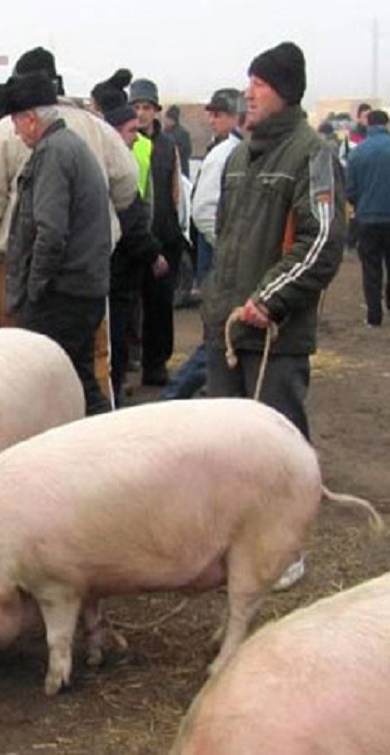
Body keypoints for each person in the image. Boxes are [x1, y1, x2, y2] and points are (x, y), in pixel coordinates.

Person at [203, 42, 345, 590]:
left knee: (278, 447)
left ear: (285, 91)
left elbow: (322, 241)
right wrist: (221, 301)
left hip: (274, 333)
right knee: (228, 449)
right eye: (249, 82)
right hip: (228, 326)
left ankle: (287, 550)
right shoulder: (240, 157)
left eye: (259, 83)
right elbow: (225, 234)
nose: (249, 92)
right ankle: (237, 545)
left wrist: (269, 298)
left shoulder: (312, 154)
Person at [0, 47, 138, 405]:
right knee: (93, 361)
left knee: (20, 368)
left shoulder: (12, 137)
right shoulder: (96, 128)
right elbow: (127, 182)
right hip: (90, 268)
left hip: (32, 271)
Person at [3, 72, 113, 415]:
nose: (16, 133)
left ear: (31, 119)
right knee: (76, 378)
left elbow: (50, 232)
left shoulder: (53, 153)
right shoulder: (69, 146)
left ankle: (108, 439)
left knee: (64, 383)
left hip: (62, 296)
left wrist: (34, 292)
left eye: (16, 124)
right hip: (80, 289)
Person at [162, 87, 245, 401]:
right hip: (221, 257)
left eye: (219, 114)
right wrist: (227, 246)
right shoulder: (224, 155)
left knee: (224, 334)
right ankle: (176, 395)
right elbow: (204, 208)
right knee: (219, 335)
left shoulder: (232, 151)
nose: (212, 120)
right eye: (212, 114)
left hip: (225, 253)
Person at [92, 69, 164, 407]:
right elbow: (130, 216)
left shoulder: (141, 151)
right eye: (132, 130)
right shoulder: (109, 165)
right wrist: (153, 253)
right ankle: (111, 396)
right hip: (116, 264)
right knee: (113, 336)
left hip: (127, 262)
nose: (138, 137)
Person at [129, 77, 186, 387]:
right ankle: (129, 361)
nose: (141, 113)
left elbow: (176, 189)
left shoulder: (168, 146)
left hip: (165, 235)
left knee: (160, 305)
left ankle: (156, 364)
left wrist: (176, 228)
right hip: (134, 238)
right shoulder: (124, 142)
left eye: (146, 107)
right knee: (130, 304)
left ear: (155, 111)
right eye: (136, 107)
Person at [346, 109, 390, 327]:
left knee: (371, 268)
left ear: (368, 124)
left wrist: (360, 205)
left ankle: (374, 316)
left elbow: (350, 190)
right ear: (387, 124)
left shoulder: (358, 152)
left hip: (367, 219)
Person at [164, 104, 193, 178]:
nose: (165, 121)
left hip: (181, 171)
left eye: (168, 119)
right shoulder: (164, 133)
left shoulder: (182, 134)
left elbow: (187, 151)